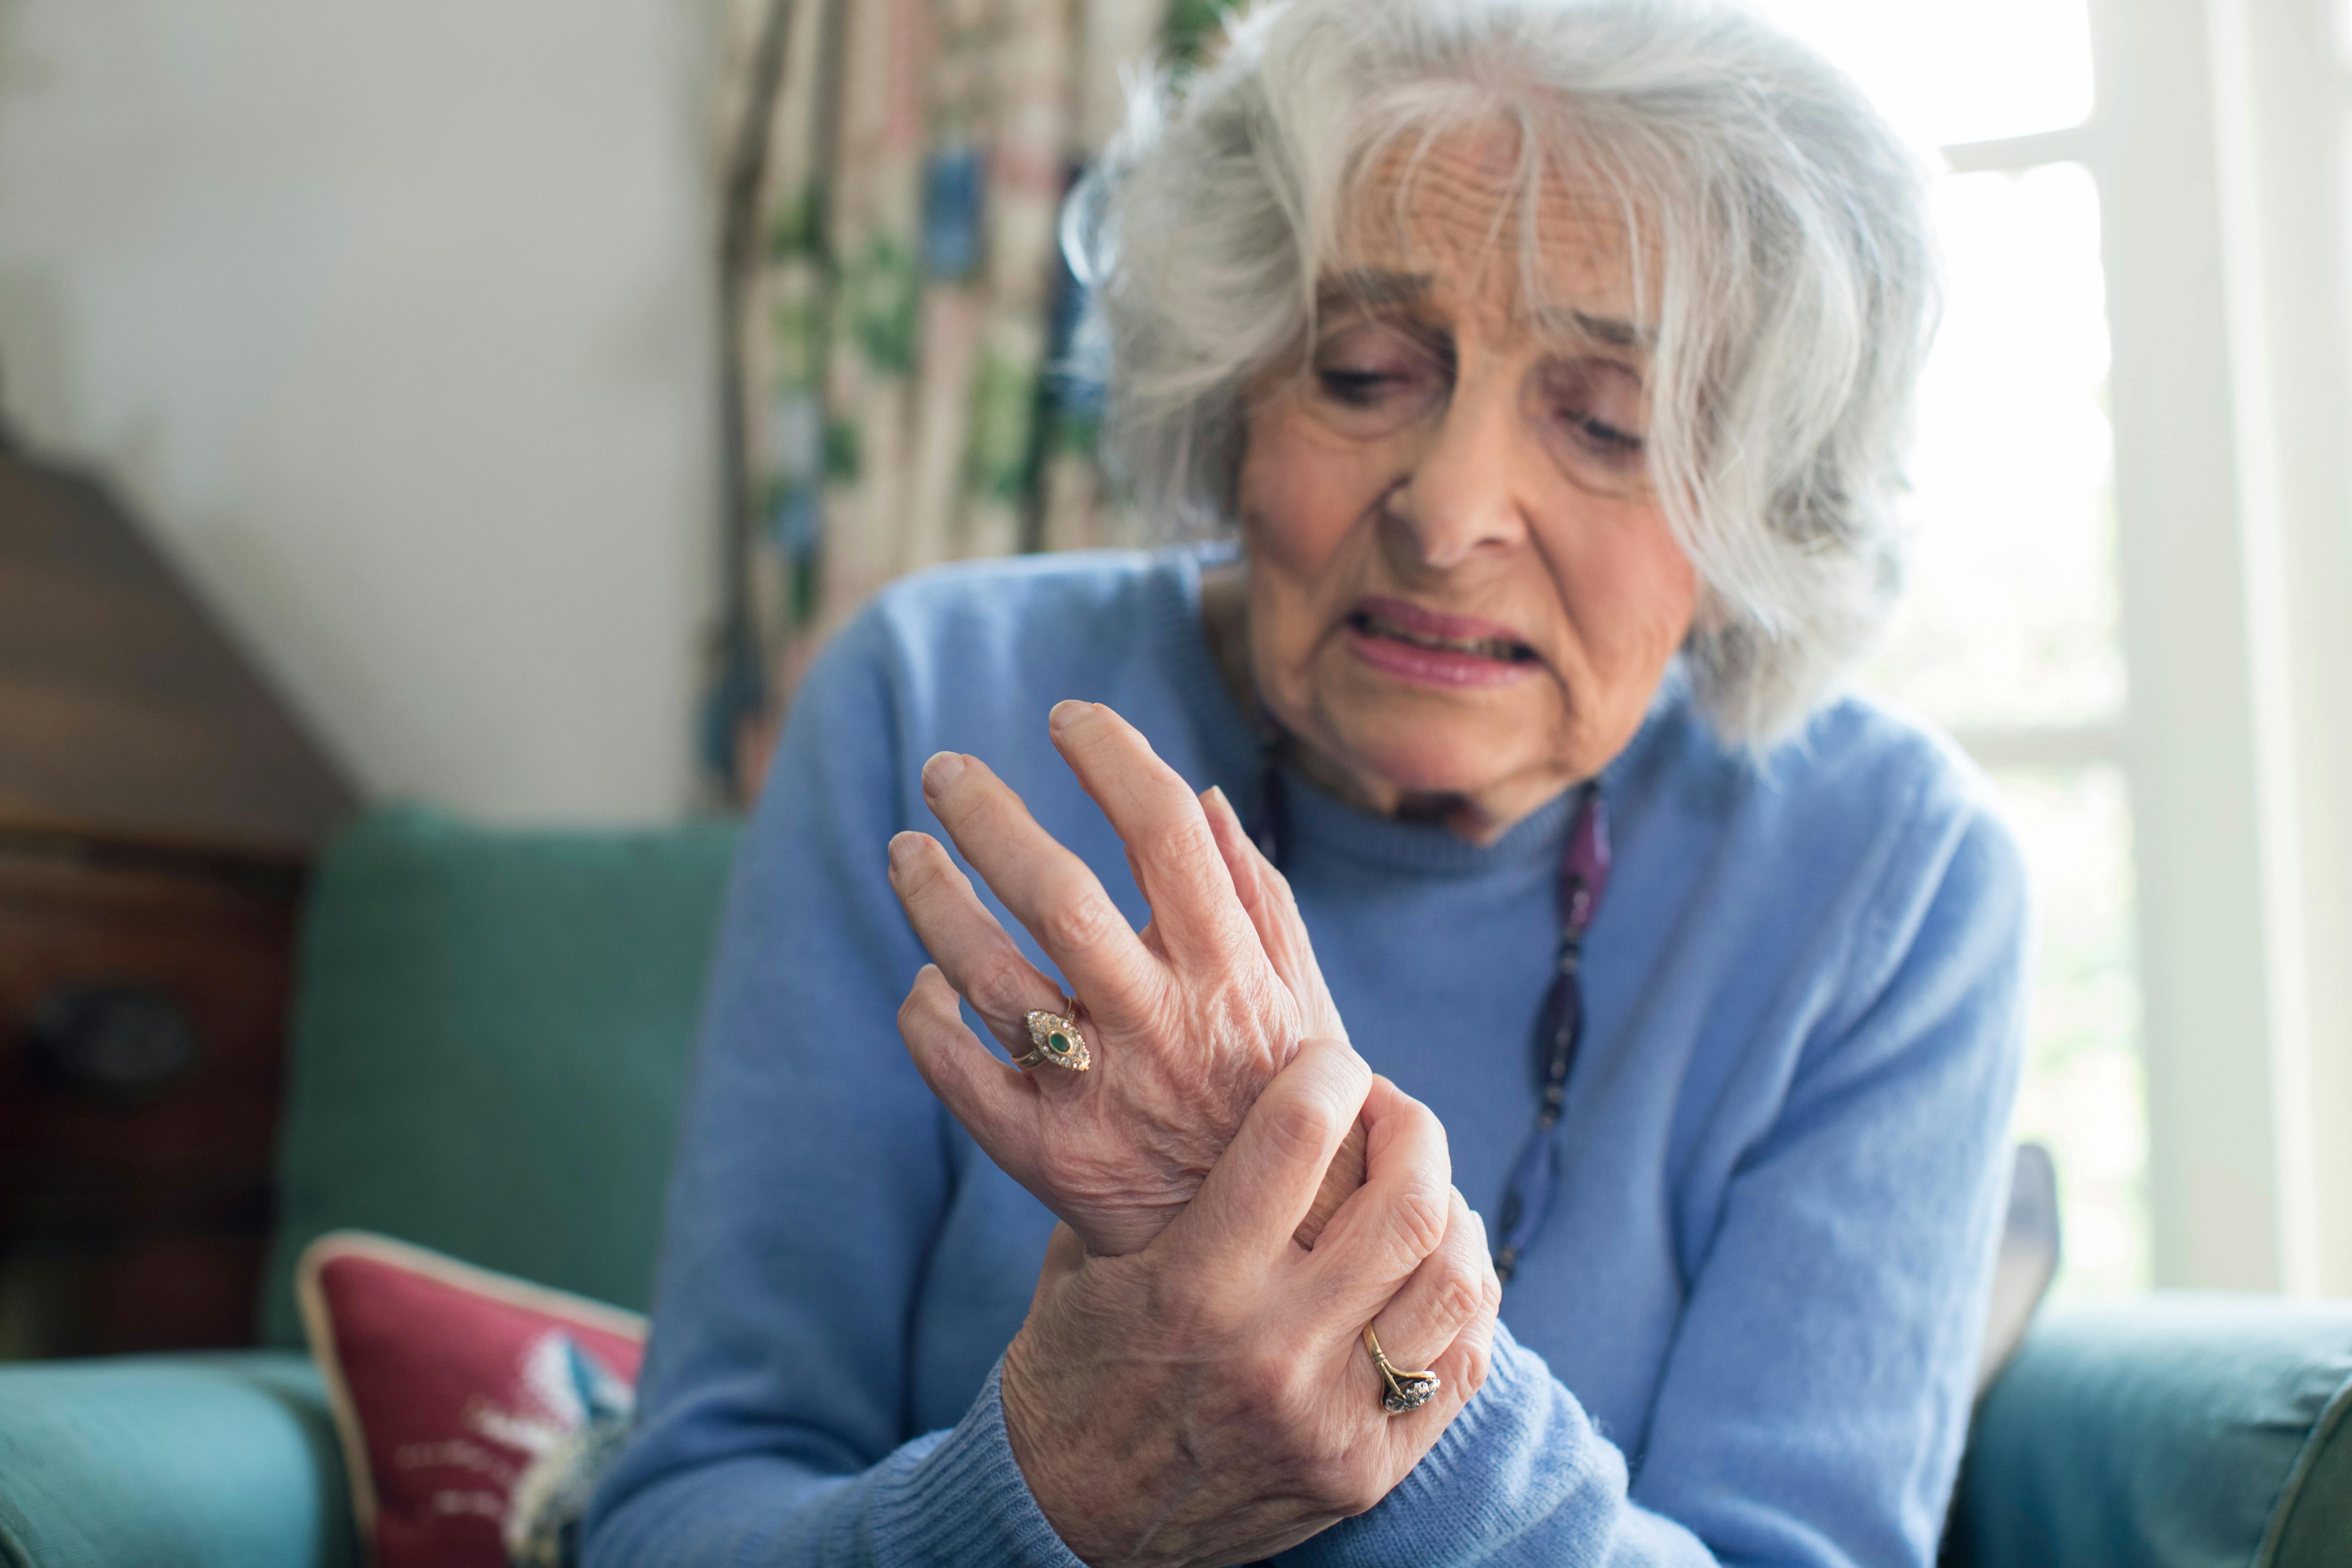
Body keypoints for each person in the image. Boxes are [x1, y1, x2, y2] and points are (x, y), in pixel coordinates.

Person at [584, 0, 2027, 1563]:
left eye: (1607, 422)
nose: (1453, 508)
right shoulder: (936, 706)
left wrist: (1372, 1352)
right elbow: (682, 1514)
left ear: (1758, 506)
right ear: (1232, 390)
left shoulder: (1892, 875)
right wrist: (1050, 1492)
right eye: (1361, 372)